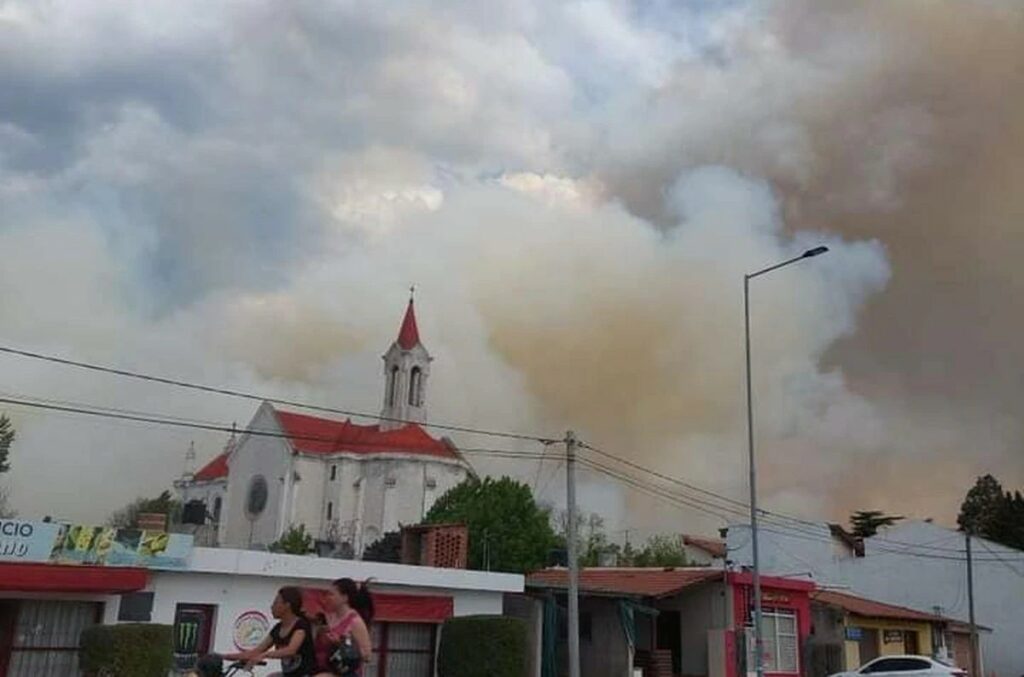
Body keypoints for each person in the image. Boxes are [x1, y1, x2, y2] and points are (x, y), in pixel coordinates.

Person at [226, 587, 317, 676]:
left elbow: (291, 650)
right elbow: (256, 651)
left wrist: (264, 655)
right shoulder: (277, 628)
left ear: (287, 605)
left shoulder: (301, 625)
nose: (272, 607)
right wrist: (223, 657)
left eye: (275, 603)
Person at [313, 578, 374, 676]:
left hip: (346, 672)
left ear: (345, 598)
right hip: (327, 668)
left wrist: (342, 644)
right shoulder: (329, 617)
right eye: (327, 594)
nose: (328, 598)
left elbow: (367, 655)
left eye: (331, 594)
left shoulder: (355, 621)